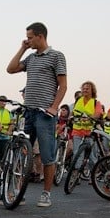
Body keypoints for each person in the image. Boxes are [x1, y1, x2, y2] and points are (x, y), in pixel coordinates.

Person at [6, 22, 67, 207]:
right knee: (23, 153)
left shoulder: (56, 56)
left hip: (45, 114)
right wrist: (22, 48)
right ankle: (16, 192)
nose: (27, 40)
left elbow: (63, 85)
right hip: (29, 112)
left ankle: (46, 193)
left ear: (40, 36)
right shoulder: (31, 58)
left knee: (47, 155)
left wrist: (54, 107)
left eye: (30, 37)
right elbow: (10, 68)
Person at [71, 80, 104, 174]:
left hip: (90, 131)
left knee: (92, 155)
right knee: (77, 152)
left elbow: (98, 113)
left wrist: (90, 117)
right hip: (77, 130)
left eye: (87, 89)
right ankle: (76, 172)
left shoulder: (96, 102)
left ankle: (93, 173)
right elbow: (74, 112)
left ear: (92, 90)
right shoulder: (78, 100)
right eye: (83, 88)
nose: (85, 90)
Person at [0, 95, 13, 182]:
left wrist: (9, 131)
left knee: (4, 155)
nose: (3, 102)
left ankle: (2, 170)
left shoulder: (8, 112)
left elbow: (12, 123)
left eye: (5, 101)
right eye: (1, 101)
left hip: (5, 137)